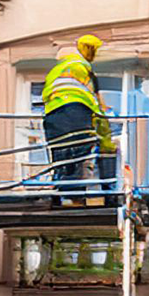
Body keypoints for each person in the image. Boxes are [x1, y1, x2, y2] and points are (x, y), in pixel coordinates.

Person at [42, 35, 118, 191]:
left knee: (61, 161)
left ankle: (63, 195)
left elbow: (47, 96)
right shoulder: (84, 70)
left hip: (52, 119)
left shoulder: (55, 72)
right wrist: (108, 145)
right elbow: (97, 109)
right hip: (77, 115)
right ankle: (94, 194)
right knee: (81, 158)